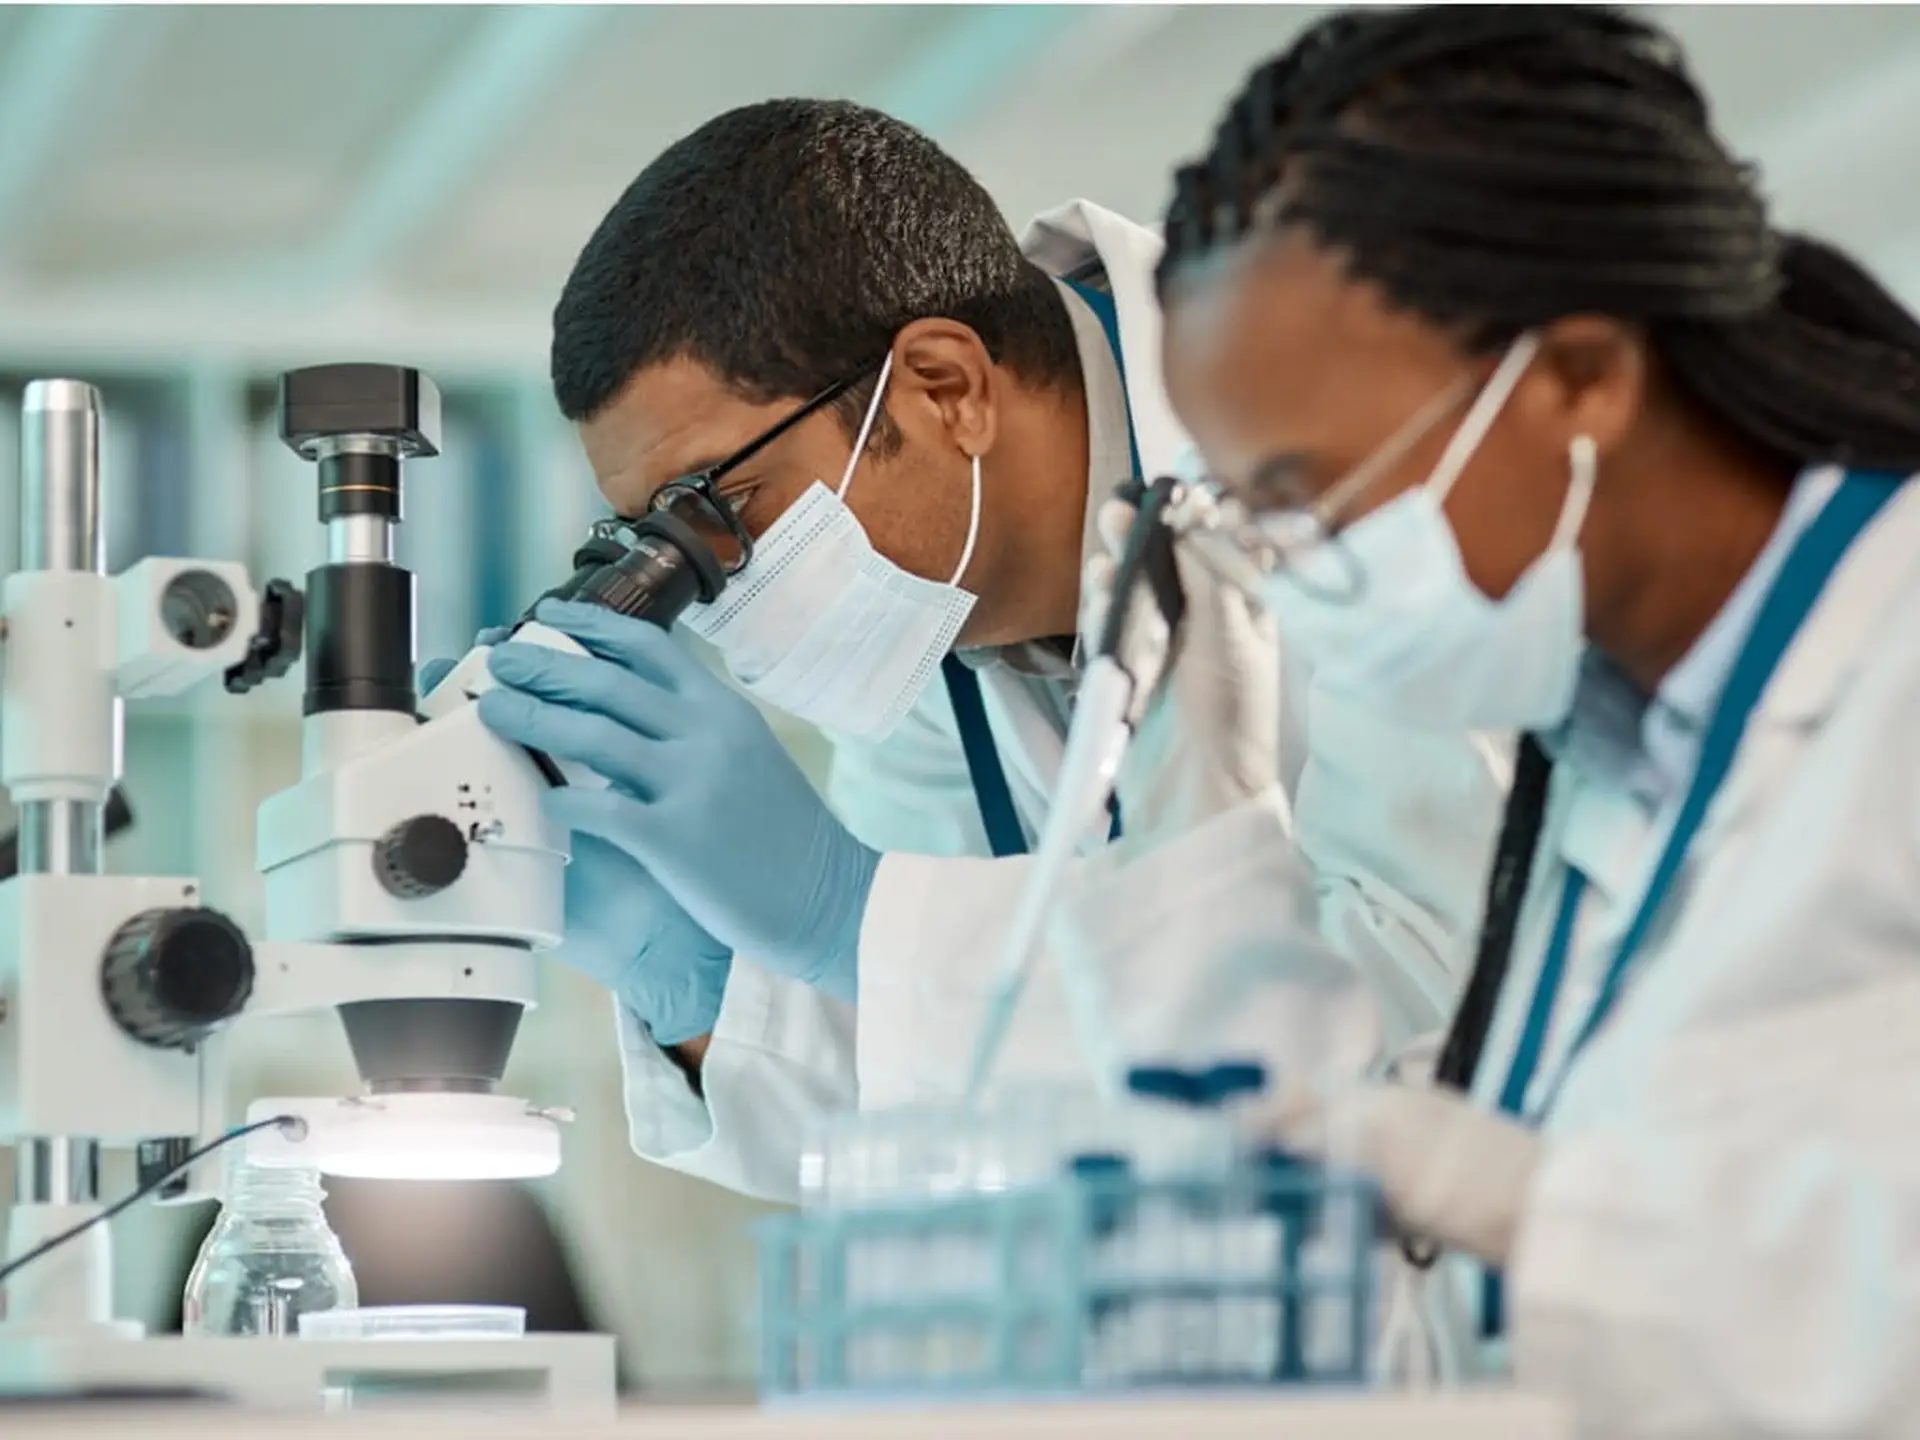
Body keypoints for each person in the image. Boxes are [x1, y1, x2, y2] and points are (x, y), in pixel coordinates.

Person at [1065, 5, 1920, 1431]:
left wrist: (1541, 1207)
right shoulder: (1596, 755)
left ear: (1580, 377)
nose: (1282, 564)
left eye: (1305, 488)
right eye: (1248, 509)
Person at [441, 99, 1510, 1202]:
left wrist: (849, 916)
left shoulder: (1377, 455)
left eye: (716, 504)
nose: (713, 584)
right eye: (652, 538)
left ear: (945, 388)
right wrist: (701, 982)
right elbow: (950, 1112)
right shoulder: (930, 630)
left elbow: (1439, 1007)